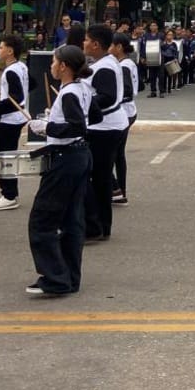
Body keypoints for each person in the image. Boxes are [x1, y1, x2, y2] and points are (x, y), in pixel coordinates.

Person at [24, 45, 94, 295]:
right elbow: (91, 117)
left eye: (54, 62)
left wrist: (47, 128)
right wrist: (53, 120)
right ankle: (69, 278)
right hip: (79, 156)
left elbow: (78, 127)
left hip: (67, 158)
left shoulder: (70, 93)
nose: (51, 66)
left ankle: (54, 277)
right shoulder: (81, 88)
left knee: (42, 219)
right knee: (71, 221)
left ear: (63, 66)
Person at [82, 24, 128, 241]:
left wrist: (83, 104)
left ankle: (97, 227)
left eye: (86, 40)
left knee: (98, 179)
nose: (84, 43)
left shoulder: (105, 67)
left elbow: (107, 96)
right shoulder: (104, 63)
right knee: (99, 178)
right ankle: (100, 226)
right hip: (107, 126)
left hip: (105, 128)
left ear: (96, 44)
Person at [0, 34, 29, 211]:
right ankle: (9, 193)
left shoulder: (11, 71)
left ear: (10, 51)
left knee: (1, 156)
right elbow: (29, 86)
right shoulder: (21, 67)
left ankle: (9, 195)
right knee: (2, 154)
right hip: (16, 118)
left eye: (1, 47)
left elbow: (17, 98)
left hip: (12, 119)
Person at [111, 32, 137, 204]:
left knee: (114, 154)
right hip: (128, 111)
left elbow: (128, 90)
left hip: (125, 112)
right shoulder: (126, 63)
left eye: (111, 45)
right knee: (118, 154)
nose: (109, 48)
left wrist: (114, 98)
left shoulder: (124, 66)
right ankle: (120, 190)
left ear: (119, 47)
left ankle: (117, 190)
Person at [139, 21, 163, 97]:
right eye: (151, 26)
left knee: (161, 75)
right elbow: (143, 47)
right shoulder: (146, 36)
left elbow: (164, 46)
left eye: (154, 25)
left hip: (159, 58)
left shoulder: (161, 35)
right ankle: (153, 91)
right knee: (152, 76)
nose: (153, 27)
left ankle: (161, 91)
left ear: (157, 27)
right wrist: (143, 57)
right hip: (150, 58)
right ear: (149, 27)